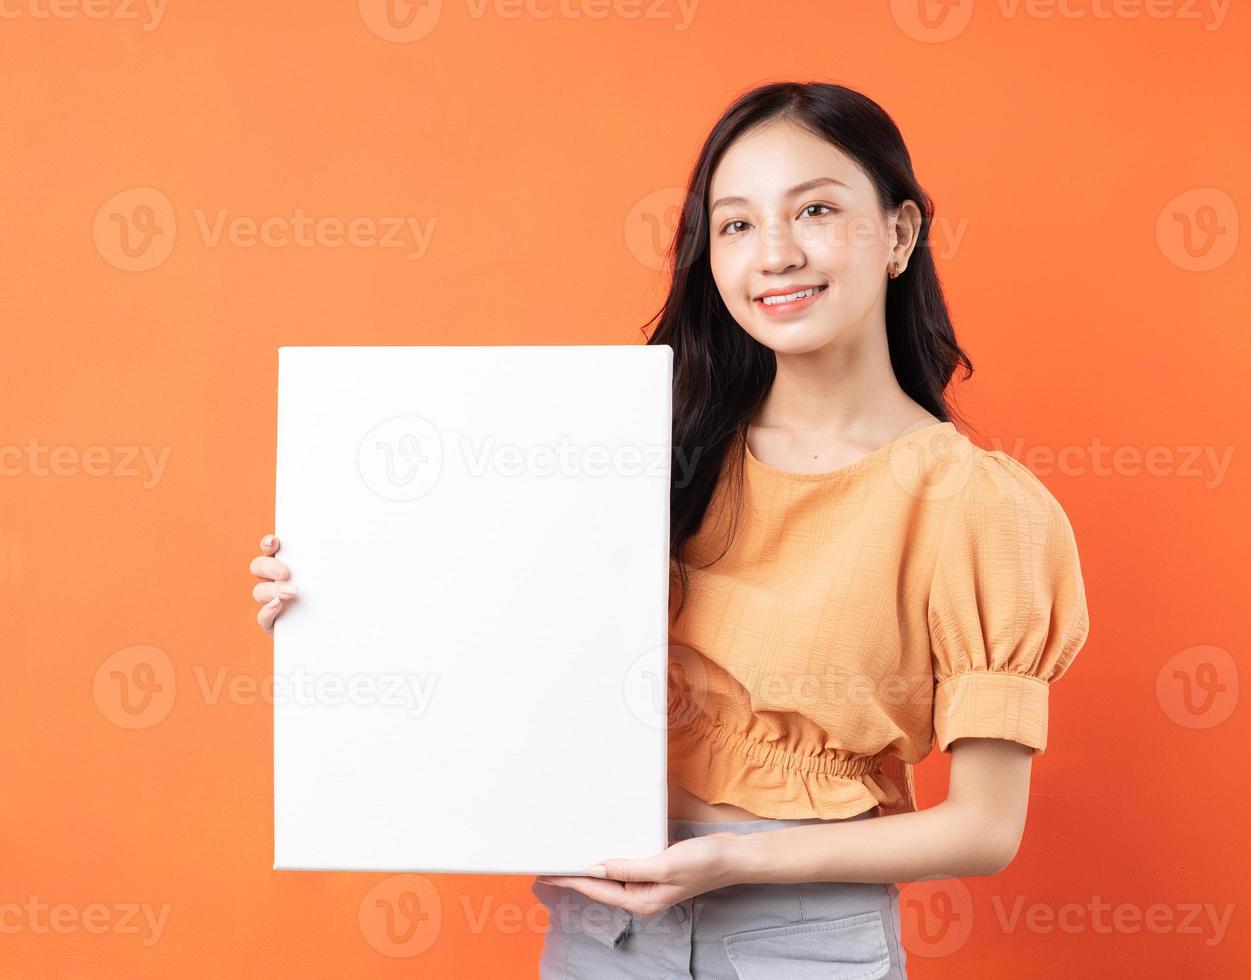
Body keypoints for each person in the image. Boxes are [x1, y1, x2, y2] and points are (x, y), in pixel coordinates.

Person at [249, 80, 1092, 979]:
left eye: (814, 209)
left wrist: (733, 861)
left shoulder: (979, 505)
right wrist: (334, 598)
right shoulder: (637, 450)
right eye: (735, 224)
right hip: (600, 931)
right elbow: (492, 634)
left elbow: (985, 829)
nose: (774, 253)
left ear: (898, 234)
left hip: (799, 944)